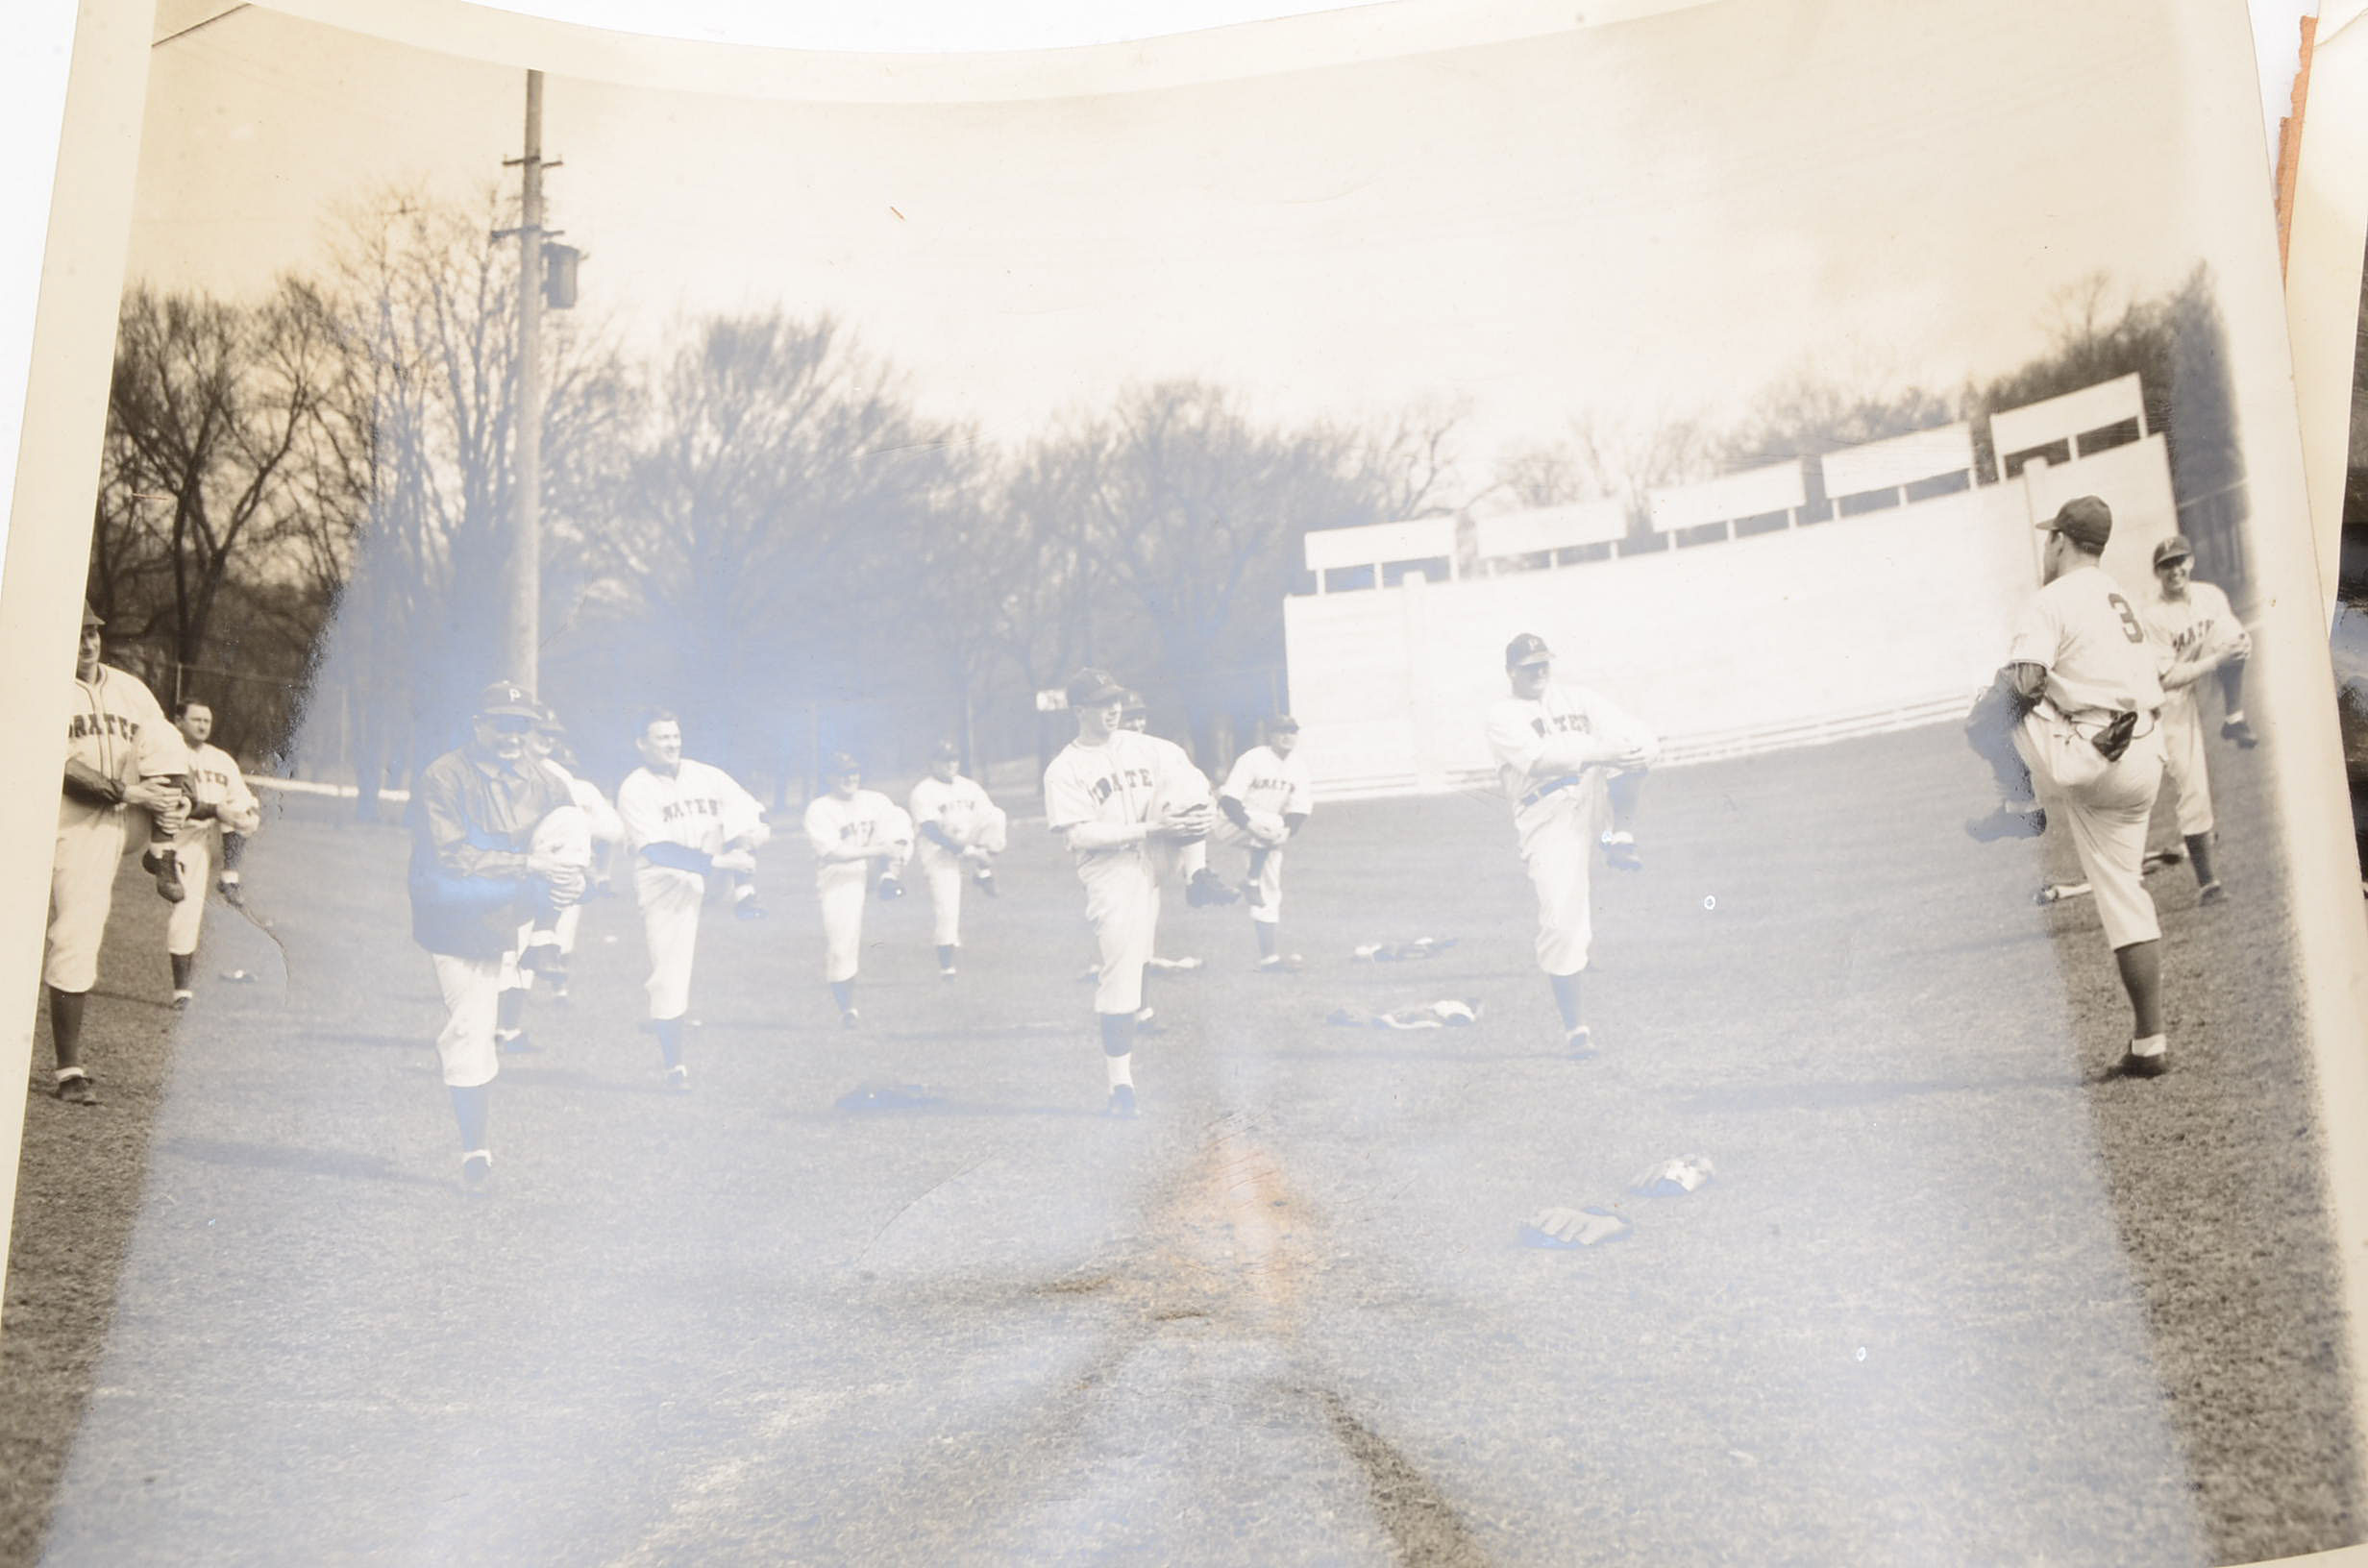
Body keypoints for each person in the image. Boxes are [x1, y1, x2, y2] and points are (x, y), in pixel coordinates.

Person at [1965, 495, 2172, 1077]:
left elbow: (2027, 681)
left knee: (1987, 707)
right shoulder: (2119, 594)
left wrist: (1991, 720)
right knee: (2126, 896)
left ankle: (2020, 803)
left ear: (2059, 540)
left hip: (2091, 758)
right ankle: (2149, 1045)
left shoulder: (2051, 600)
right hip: (2145, 752)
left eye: (2049, 538)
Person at [407, 680, 588, 1190]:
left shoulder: (547, 780)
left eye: (523, 726)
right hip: (457, 914)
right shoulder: (443, 776)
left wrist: (576, 879)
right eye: (502, 724)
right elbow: (453, 859)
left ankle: (546, 939)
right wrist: (533, 864)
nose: (513, 735)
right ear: (478, 725)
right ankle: (475, 1146)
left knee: (572, 820)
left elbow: (571, 843)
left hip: (516, 905)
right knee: (470, 1028)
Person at [1044, 669, 1216, 1116]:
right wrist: (1154, 827)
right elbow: (1080, 835)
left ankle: (1200, 876)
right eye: (1102, 703)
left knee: (1185, 780)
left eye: (1116, 700)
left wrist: (1199, 815)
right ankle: (1120, 1085)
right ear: (1079, 710)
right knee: (1124, 969)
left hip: (1160, 849)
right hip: (1112, 869)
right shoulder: (1065, 767)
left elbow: (1193, 785)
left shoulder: (1148, 747)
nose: (1113, 709)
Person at [1483, 632, 1657, 1057]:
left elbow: (1633, 735)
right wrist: (1600, 750)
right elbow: (1539, 762)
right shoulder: (1502, 715)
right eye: (1529, 667)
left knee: (1631, 746)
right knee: (1563, 925)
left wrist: (1635, 748)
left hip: (1591, 791)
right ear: (1511, 673)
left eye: (1544, 664)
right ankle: (1575, 1030)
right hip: (1547, 813)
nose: (1539, 672)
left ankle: (1621, 837)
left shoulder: (1578, 698)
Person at [46, 601, 190, 1104]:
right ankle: (68, 1069)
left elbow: (172, 751)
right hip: (68, 821)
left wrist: (177, 796)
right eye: (77, 633)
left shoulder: (129, 688)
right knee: (76, 935)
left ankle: (163, 851)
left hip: (127, 816)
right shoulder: (43, 683)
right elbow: (61, 769)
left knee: (160, 732)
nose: (87, 644)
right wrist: (137, 796)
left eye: (92, 633)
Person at [616, 710, 768, 1085]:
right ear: (641, 744)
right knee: (670, 975)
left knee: (742, 816)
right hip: (666, 880)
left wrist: (746, 841)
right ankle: (674, 1065)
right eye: (661, 738)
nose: (671, 744)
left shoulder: (706, 774)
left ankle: (745, 893)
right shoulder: (634, 787)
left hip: (715, 863)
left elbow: (750, 812)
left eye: (675, 736)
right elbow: (655, 851)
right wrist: (720, 860)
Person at [2140, 534, 2255, 903]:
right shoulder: (2153, 615)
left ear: (2190, 561)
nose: (2174, 570)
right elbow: (2167, 677)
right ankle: (2208, 884)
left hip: (2202, 678)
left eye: (2179, 561)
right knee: (2192, 786)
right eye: (2166, 565)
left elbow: (2234, 639)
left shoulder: (2210, 594)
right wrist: (2221, 660)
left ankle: (2234, 717)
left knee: (2229, 630)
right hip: (2167, 701)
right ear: (2157, 573)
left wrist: (2240, 646)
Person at [160, 701, 261, 1010]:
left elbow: (242, 800)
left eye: (207, 720)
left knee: (246, 816)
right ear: (178, 720)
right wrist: (222, 811)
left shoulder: (220, 759)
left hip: (205, 837)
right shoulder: (167, 751)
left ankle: (229, 877)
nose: (203, 725)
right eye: (196, 719)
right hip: (172, 835)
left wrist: (247, 812)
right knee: (184, 907)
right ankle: (182, 990)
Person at [518, 711, 625, 998]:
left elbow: (606, 829)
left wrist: (592, 870)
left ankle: (553, 985)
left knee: (557, 930)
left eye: (553, 733)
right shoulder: (508, 763)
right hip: (519, 858)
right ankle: (508, 1016)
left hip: (555, 864)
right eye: (541, 731)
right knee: (510, 939)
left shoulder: (561, 776)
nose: (547, 739)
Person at [802, 753, 914, 1024]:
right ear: (828, 777)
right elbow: (832, 853)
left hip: (875, 864)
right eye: (842, 773)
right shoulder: (819, 808)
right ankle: (847, 1009)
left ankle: (890, 877)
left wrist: (888, 856)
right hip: (840, 874)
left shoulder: (874, 800)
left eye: (854, 772)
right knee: (841, 945)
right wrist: (879, 850)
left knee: (898, 817)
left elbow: (898, 831)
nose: (850, 778)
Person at [1216, 715, 1315, 971]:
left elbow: (1300, 808)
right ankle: (1250, 881)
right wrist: (1252, 827)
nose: (1287, 736)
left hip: (1266, 835)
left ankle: (1268, 958)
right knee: (1272, 822)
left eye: (1292, 731)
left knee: (1270, 888)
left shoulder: (1298, 767)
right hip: (1230, 823)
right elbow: (1228, 800)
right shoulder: (1253, 759)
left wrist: (1287, 833)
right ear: (1270, 735)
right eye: (1281, 731)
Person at [906, 739, 1008, 978]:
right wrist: (969, 851)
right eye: (944, 760)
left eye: (954, 759)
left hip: (966, 838)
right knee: (947, 908)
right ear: (933, 763)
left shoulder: (968, 786)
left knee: (997, 816)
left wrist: (984, 850)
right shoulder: (923, 791)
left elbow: (986, 814)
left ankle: (983, 871)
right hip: (938, 850)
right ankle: (946, 967)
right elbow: (931, 831)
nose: (950, 764)